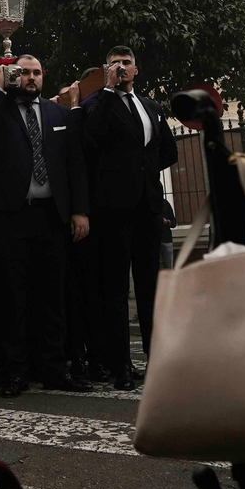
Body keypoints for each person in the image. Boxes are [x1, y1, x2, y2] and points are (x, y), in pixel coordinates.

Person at [0, 56, 93, 397]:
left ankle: (54, 370)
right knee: (13, 298)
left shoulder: (58, 115)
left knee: (52, 297)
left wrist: (80, 211)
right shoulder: (0, 110)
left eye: (36, 73)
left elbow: (75, 165)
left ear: (43, 77)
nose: (30, 79)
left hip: (51, 217)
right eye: (23, 73)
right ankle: (15, 373)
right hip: (10, 217)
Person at [81, 45, 177, 390]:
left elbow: (169, 150)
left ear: (137, 69)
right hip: (113, 209)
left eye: (126, 63)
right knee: (116, 289)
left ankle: (156, 361)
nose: (121, 68)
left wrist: (143, 172)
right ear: (106, 69)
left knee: (151, 288)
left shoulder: (150, 106)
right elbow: (91, 141)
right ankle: (120, 365)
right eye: (114, 63)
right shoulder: (96, 103)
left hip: (147, 208)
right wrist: (107, 91)